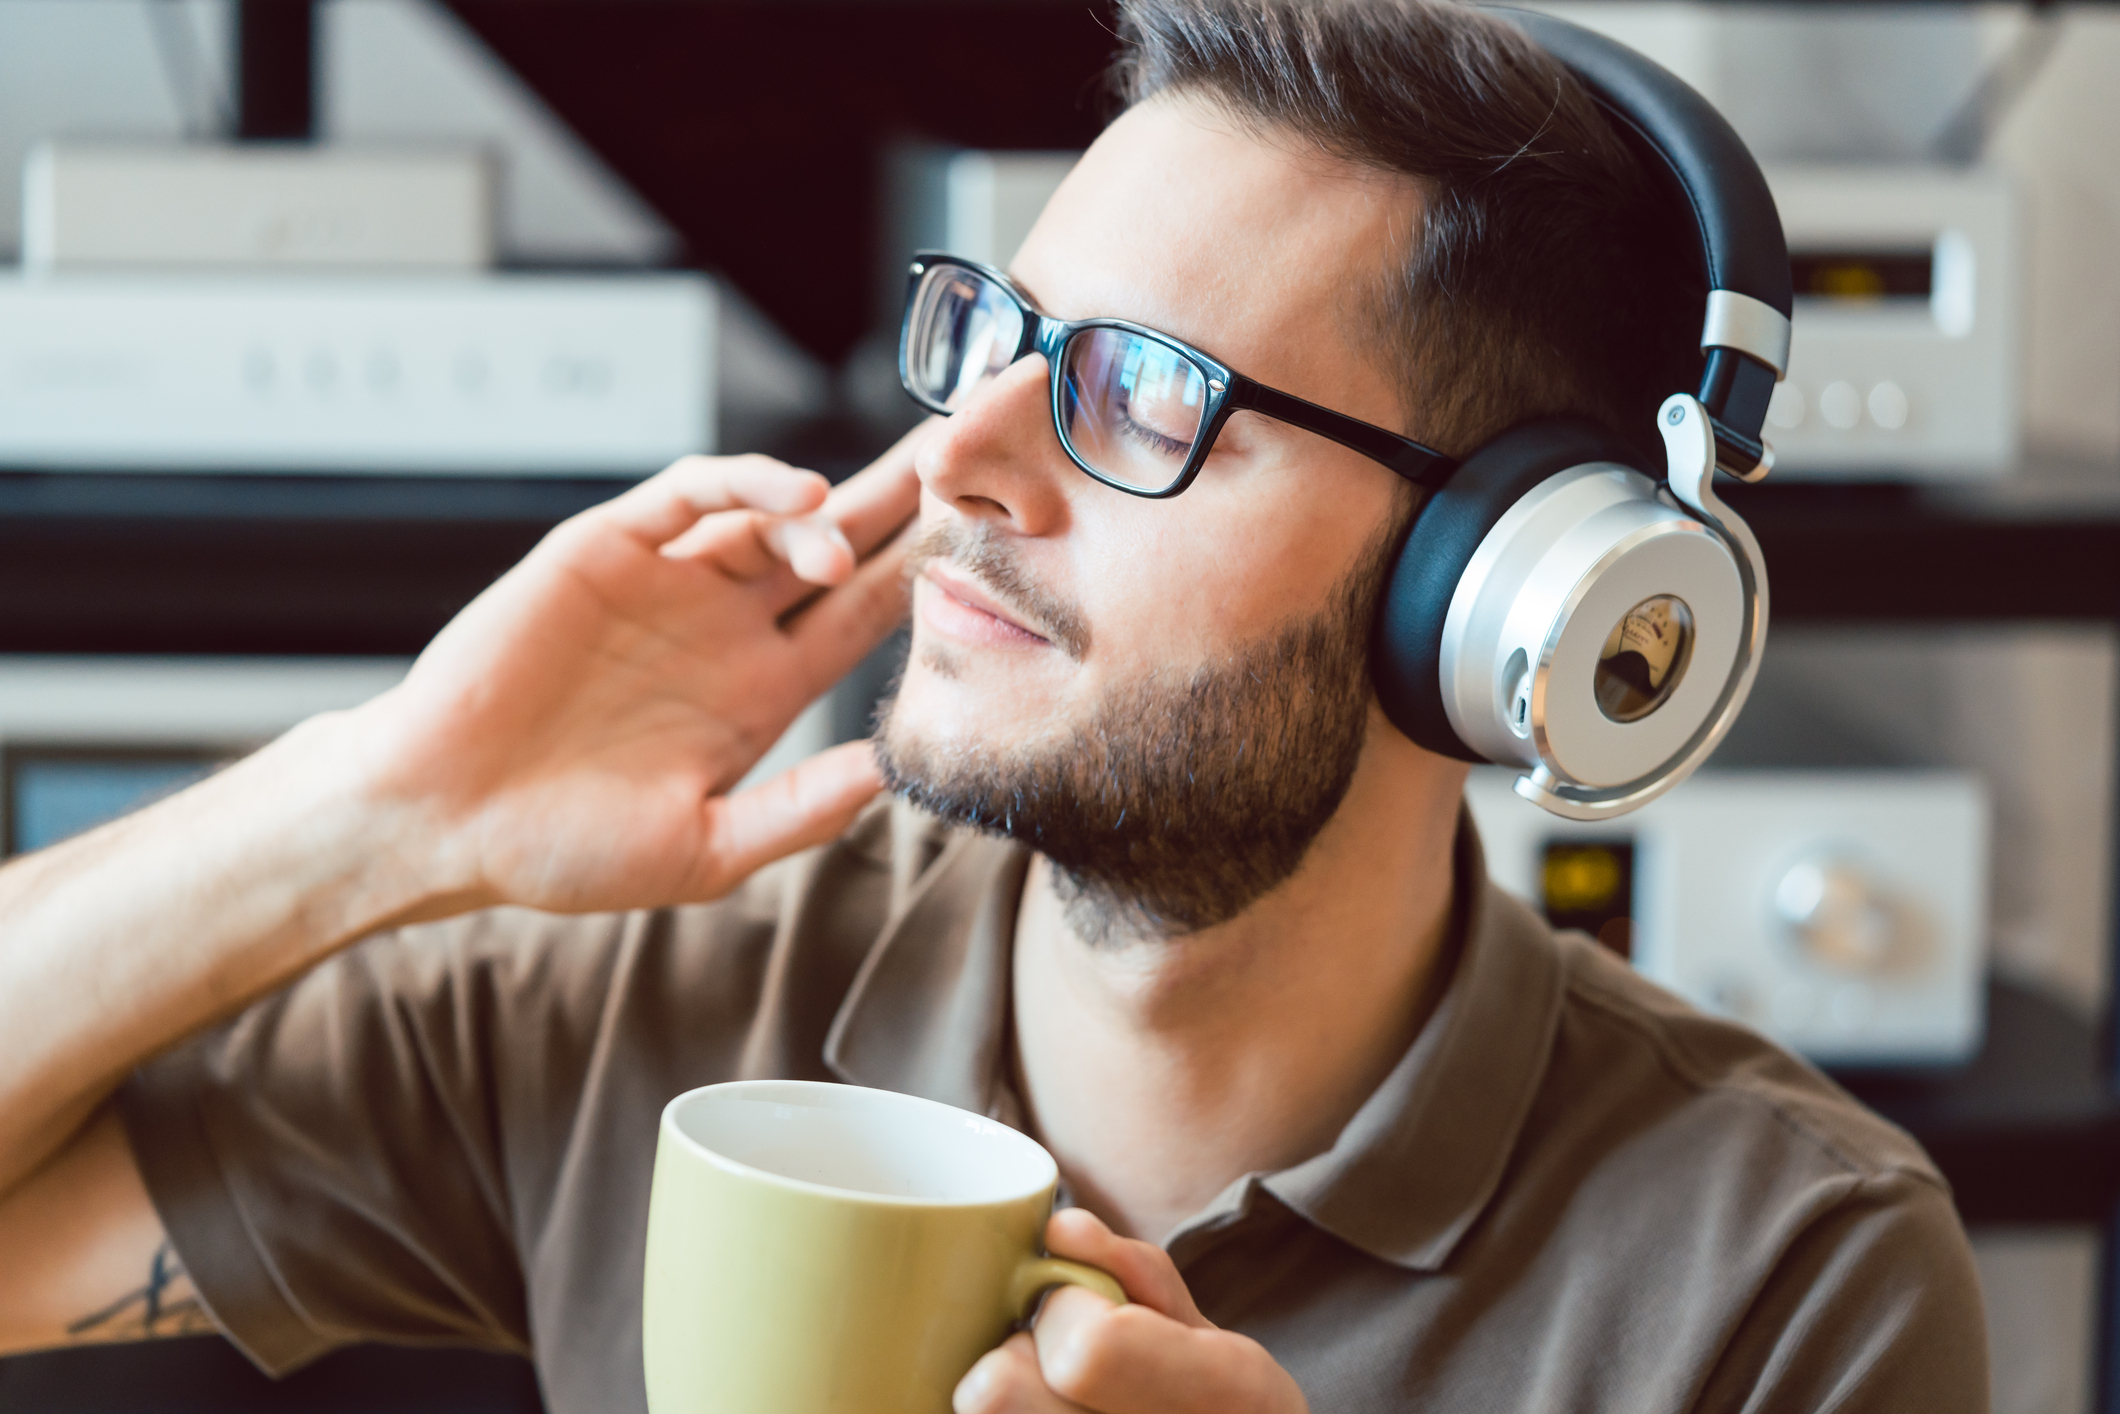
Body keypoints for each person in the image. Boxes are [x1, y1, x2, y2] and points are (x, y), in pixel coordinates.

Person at [0, 1, 1987, 1410]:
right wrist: (383, 801)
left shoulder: (1783, 1272)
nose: (961, 452)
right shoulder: (648, 1006)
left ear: (1493, 593)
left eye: (1138, 389)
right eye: (998, 337)